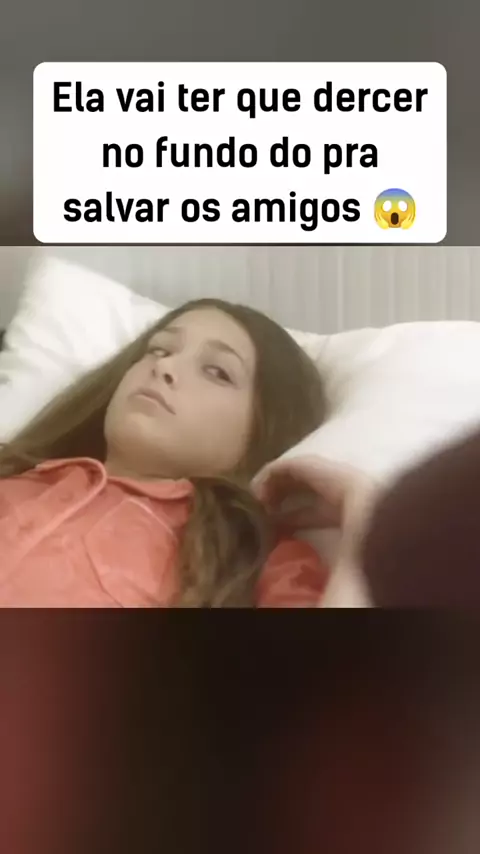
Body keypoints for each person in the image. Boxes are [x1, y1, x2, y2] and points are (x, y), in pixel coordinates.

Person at [0, 297, 330, 608]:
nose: (164, 366)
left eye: (217, 372)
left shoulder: (257, 561)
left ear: (265, 429)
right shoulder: (16, 479)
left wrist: (355, 508)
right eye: (158, 350)